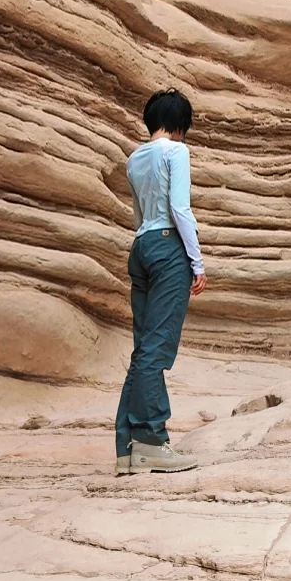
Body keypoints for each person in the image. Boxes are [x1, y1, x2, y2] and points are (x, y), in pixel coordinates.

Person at [114, 89, 207, 474]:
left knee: (142, 349)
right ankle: (151, 440)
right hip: (169, 246)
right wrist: (196, 263)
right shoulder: (177, 152)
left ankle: (127, 448)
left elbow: (138, 213)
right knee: (157, 347)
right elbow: (180, 208)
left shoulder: (133, 158)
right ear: (180, 125)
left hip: (141, 246)